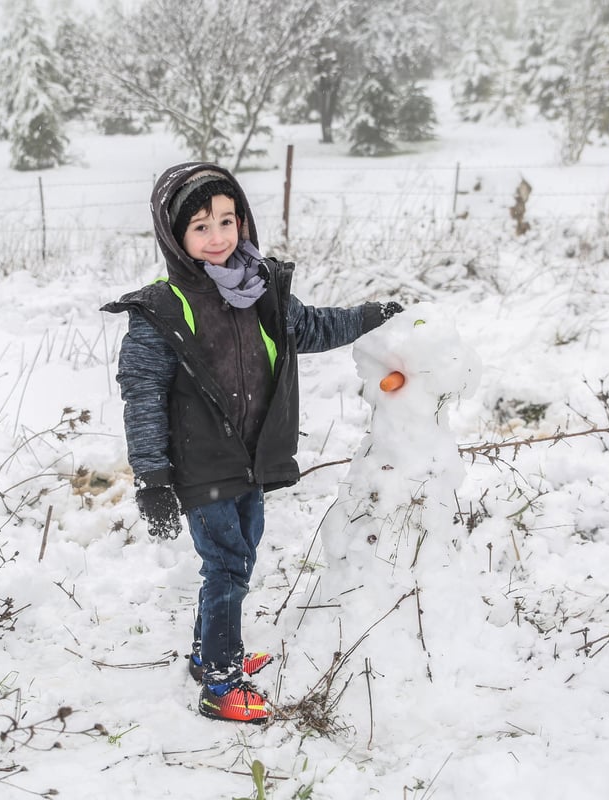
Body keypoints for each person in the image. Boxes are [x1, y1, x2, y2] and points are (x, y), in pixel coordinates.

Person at [102, 162, 402, 723]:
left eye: (226, 220)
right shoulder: (161, 311)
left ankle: (207, 651)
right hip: (198, 463)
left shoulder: (259, 288)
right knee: (228, 565)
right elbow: (141, 395)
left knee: (238, 555)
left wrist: (369, 316)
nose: (217, 236)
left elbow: (309, 328)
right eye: (200, 226)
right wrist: (152, 476)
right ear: (175, 236)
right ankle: (219, 681)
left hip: (249, 459)